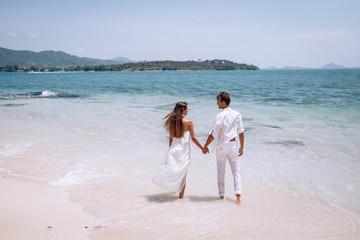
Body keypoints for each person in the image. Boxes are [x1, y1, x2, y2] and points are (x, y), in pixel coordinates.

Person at [153, 102, 204, 198]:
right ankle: (180, 199)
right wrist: (203, 148)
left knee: (175, 172)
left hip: (173, 150)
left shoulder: (172, 121)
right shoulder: (189, 123)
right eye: (187, 109)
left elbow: (171, 139)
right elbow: (193, 139)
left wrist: (169, 151)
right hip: (184, 152)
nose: (188, 110)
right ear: (182, 110)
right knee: (183, 175)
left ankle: (175, 194)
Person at [203, 92, 245, 205]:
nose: (217, 103)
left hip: (221, 147)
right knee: (236, 172)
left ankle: (221, 196)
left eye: (218, 100)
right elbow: (241, 132)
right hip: (233, 146)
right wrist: (242, 146)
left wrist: (205, 145)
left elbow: (213, 134)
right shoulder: (237, 114)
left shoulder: (219, 116)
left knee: (221, 172)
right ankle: (238, 197)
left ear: (223, 102)